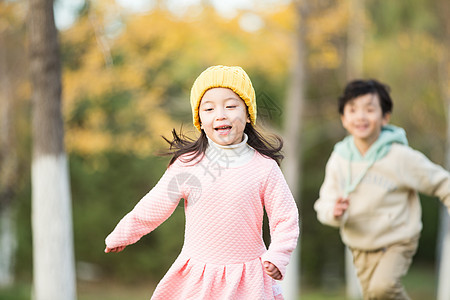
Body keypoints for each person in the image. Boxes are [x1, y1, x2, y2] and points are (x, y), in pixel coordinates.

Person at [105, 65, 299, 299]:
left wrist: (278, 255)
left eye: (230, 106)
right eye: (209, 108)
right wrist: (124, 233)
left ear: (247, 114)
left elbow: (285, 218)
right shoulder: (189, 165)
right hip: (198, 276)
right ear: (200, 119)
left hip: (247, 279)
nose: (220, 114)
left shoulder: (264, 168)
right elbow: (154, 206)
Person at [314, 79, 450, 300]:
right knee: (375, 296)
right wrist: (334, 211)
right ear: (343, 119)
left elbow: (443, 182)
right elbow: (324, 203)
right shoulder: (339, 158)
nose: (361, 117)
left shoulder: (400, 156)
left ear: (385, 117)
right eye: (353, 110)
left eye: (369, 109)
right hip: (360, 245)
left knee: (383, 288)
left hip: (396, 240)